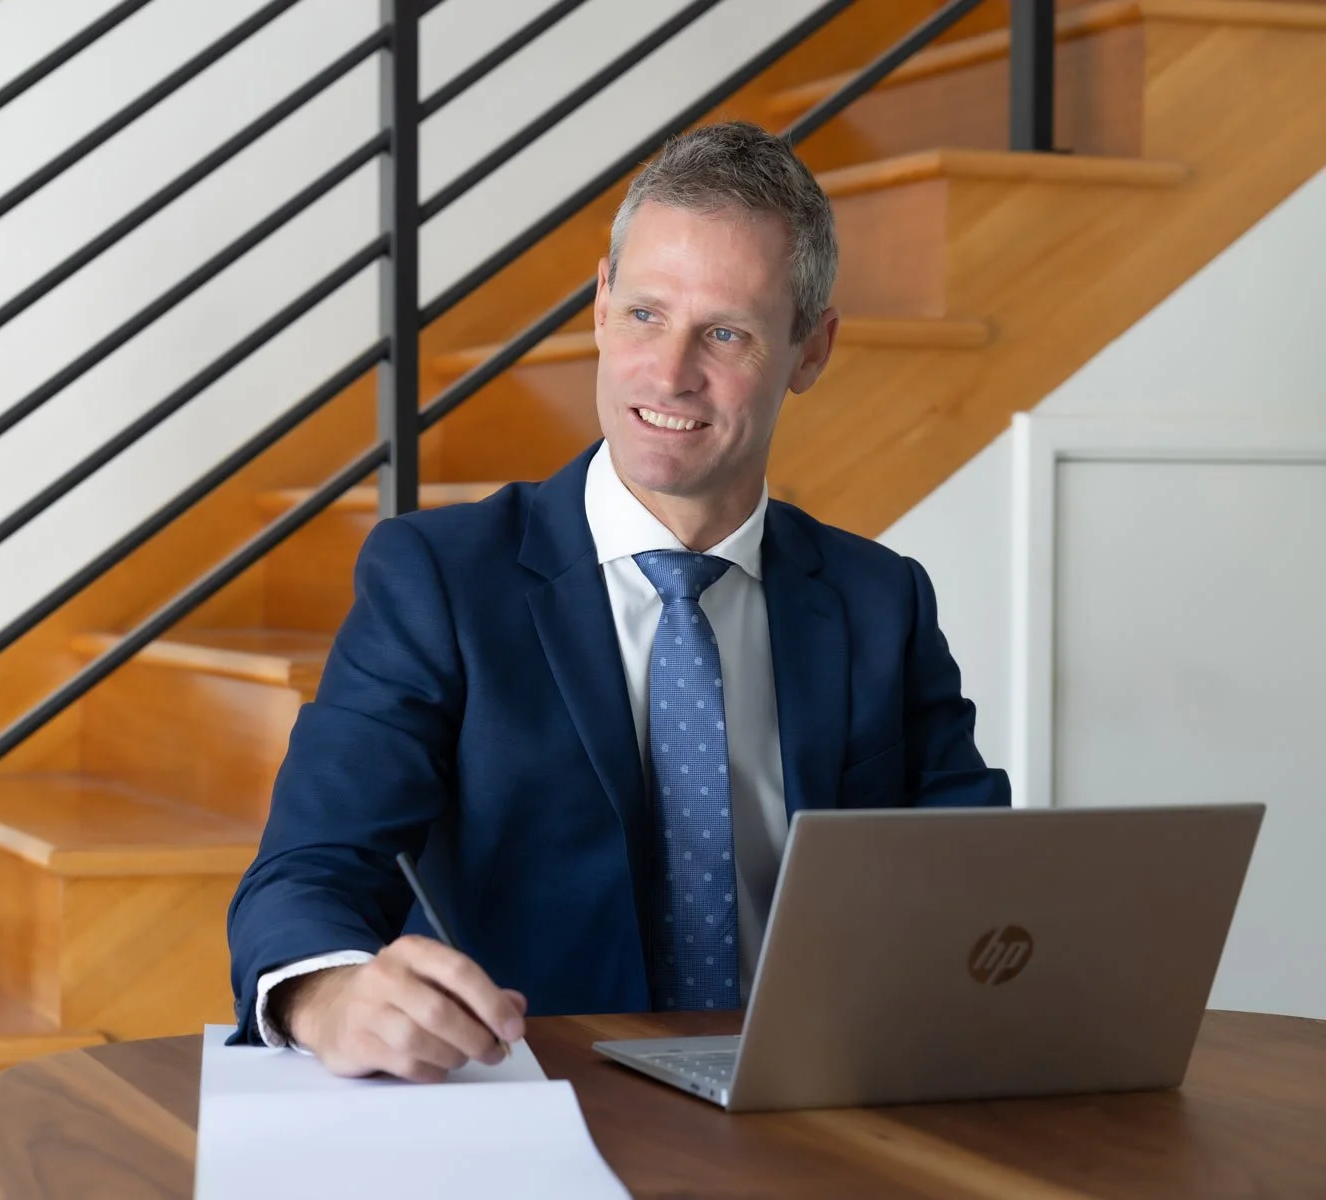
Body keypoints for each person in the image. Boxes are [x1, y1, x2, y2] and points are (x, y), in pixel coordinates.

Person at [225, 121, 1010, 1081]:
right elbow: (305, 869)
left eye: (726, 332)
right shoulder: (437, 580)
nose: (669, 371)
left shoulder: (881, 600)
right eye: (645, 314)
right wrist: (330, 994)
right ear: (600, 306)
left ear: (812, 350)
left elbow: (976, 885)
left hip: (805, 1105)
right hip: (531, 1098)